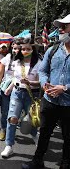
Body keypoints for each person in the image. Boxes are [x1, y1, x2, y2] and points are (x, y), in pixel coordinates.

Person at [22, 14, 70, 169]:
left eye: (64, 27)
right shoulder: (53, 49)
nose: (60, 30)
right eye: (60, 27)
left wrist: (65, 88)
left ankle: (65, 163)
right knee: (44, 133)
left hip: (68, 104)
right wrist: (45, 85)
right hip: (49, 101)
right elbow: (43, 72)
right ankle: (37, 161)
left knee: (68, 137)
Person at [0, 38, 41, 158]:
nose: (25, 51)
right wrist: (10, 87)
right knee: (12, 118)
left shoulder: (39, 63)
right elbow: (14, 77)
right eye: (23, 49)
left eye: (28, 49)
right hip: (16, 93)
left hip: (31, 94)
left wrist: (31, 83)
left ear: (33, 49)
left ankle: (36, 138)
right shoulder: (17, 61)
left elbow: (42, 81)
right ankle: (9, 146)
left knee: (32, 119)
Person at [0, 41, 21, 141]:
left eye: (17, 48)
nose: (15, 50)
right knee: (4, 111)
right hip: (5, 90)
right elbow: (0, 74)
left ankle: (11, 132)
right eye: (13, 48)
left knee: (15, 113)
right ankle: (3, 130)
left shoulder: (24, 60)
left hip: (18, 90)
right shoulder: (7, 58)